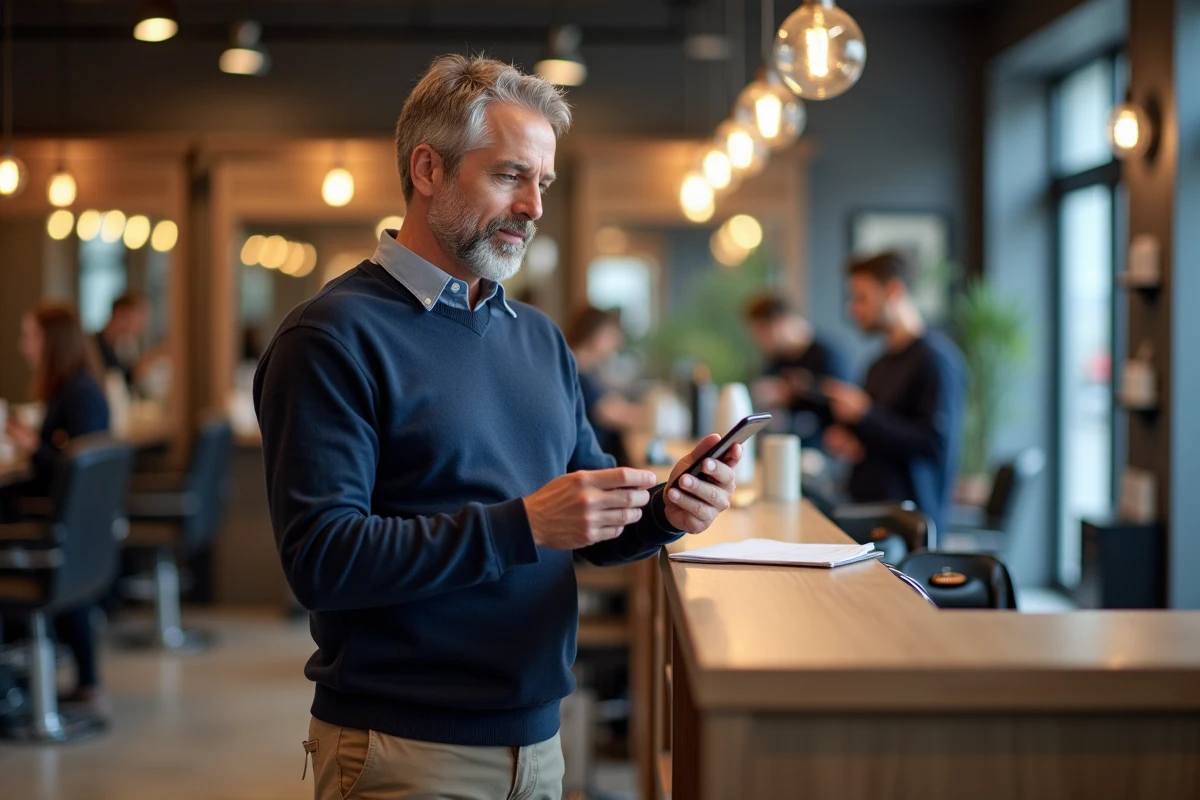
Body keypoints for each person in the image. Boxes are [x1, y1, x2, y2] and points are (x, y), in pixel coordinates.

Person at [254, 54, 741, 800]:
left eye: (542, 183)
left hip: (540, 745)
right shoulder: (331, 336)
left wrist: (668, 511)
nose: (535, 207)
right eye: (511, 175)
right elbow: (321, 559)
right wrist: (522, 525)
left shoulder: (538, 338)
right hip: (405, 749)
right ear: (428, 169)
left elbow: (587, 521)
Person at [3, 302, 110, 705]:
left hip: (62, 540)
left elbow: (68, 472)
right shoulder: (80, 388)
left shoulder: (78, 395)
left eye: (29, 337)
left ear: (52, 342)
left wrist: (32, 446)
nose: (23, 346)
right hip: (80, 542)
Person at [821, 251, 966, 532]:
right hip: (866, 512)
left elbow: (934, 444)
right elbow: (879, 435)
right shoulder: (878, 365)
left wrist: (865, 415)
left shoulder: (936, 360)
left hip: (906, 526)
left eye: (861, 297)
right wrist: (850, 436)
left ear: (893, 291)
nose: (852, 308)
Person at [744, 293, 848, 448]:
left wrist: (796, 391)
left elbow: (841, 408)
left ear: (779, 322)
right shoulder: (776, 360)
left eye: (760, 332)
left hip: (823, 451)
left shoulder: (828, 356)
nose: (758, 341)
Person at [565, 305, 646, 463]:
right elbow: (609, 412)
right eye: (611, 335)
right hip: (593, 463)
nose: (617, 342)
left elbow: (611, 402)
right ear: (593, 333)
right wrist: (657, 418)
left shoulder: (586, 368)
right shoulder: (577, 369)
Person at [94, 291, 150, 392]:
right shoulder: (94, 347)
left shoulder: (121, 346)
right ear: (121, 314)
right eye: (140, 316)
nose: (143, 324)